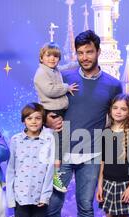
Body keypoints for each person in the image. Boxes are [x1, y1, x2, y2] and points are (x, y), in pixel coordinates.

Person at [43, 30, 123, 217]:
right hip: (62, 155)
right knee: (53, 205)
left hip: (92, 155)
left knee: (85, 206)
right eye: (80, 52)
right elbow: (43, 105)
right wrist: (47, 119)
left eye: (89, 51)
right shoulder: (63, 77)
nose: (85, 57)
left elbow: (117, 120)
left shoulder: (112, 84)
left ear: (98, 51)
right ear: (75, 54)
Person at [6, 103, 55, 217]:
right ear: (24, 120)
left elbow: (51, 169)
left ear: (43, 121)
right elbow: (11, 170)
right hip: (20, 197)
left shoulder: (48, 140)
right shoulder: (16, 140)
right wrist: (11, 197)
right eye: (29, 118)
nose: (33, 122)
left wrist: (45, 195)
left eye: (37, 118)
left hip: (39, 199)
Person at [33, 42, 78, 193]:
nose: (52, 59)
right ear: (41, 57)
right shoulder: (41, 73)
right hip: (52, 112)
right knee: (57, 146)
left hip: (59, 110)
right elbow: (50, 90)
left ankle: (55, 174)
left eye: (56, 56)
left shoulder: (53, 70)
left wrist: (76, 62)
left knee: (61, 145)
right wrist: (66, 87)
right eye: (48, 55)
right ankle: (54, 175)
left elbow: (64, 68)